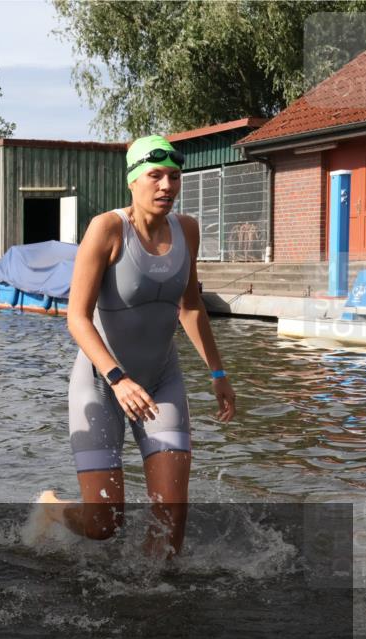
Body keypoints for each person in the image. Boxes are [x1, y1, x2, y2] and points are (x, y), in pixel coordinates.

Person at [41, 135, 236, 558]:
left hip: (161, 381)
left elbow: (190, 307)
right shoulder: (108, 229)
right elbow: (76, 318)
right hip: (101, 383)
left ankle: (152, 596)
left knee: (171, 525)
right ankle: (51, 509)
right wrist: (118, 378)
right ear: (132, 180)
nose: (167, 185)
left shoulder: (187, 230)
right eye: (155, 176)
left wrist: (218, 373)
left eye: (174, 177)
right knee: (104, 524)